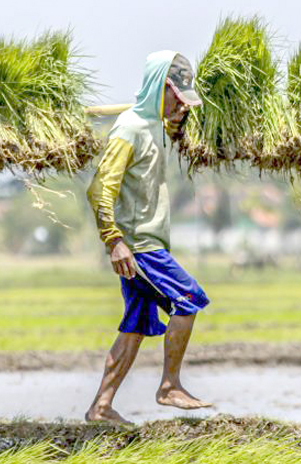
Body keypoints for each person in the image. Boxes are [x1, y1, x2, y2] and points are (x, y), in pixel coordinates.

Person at [85, 51, 212, 424]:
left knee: (135, 327)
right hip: (140, 246)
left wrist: (177, 118)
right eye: (177, 97)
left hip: (144, 243)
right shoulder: (129, 129)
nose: (181, 105)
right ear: (160, 88)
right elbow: (99, 189)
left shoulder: (152, 125)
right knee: (189, 299)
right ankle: (169, 386)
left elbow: (167, 130)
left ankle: (101, 408)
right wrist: (114, 241)